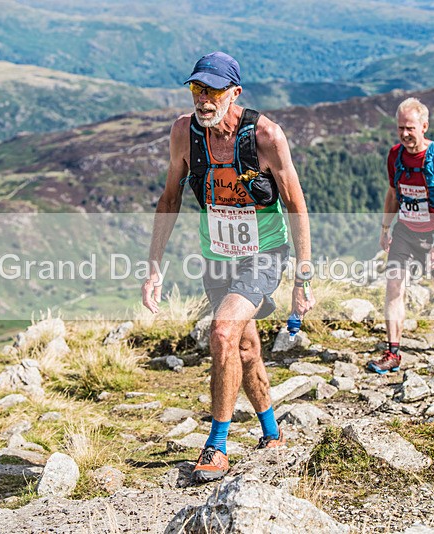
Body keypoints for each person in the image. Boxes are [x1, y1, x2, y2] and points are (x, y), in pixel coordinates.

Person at [141, 52, 315, 483]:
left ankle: (216, 446)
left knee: (221, 331)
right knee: (244, 347)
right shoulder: (184, 133)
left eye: (214, 91)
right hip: (217, 256)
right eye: (197, 89)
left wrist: (303, 277)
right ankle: (272, 434)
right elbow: (169, 198)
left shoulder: (266, 136)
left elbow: (296, 205)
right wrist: (154, 267)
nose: (204, 99)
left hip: (264, 253)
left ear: (235, 93)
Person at [368, 97, 434, 374]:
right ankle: (393, 352)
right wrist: (385, 228)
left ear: (424, 126)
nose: (404, 134)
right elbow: (393, 193)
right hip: (405, 231)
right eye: (400, 128)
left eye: (410, 128)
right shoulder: (395, 156)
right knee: (393, 287)